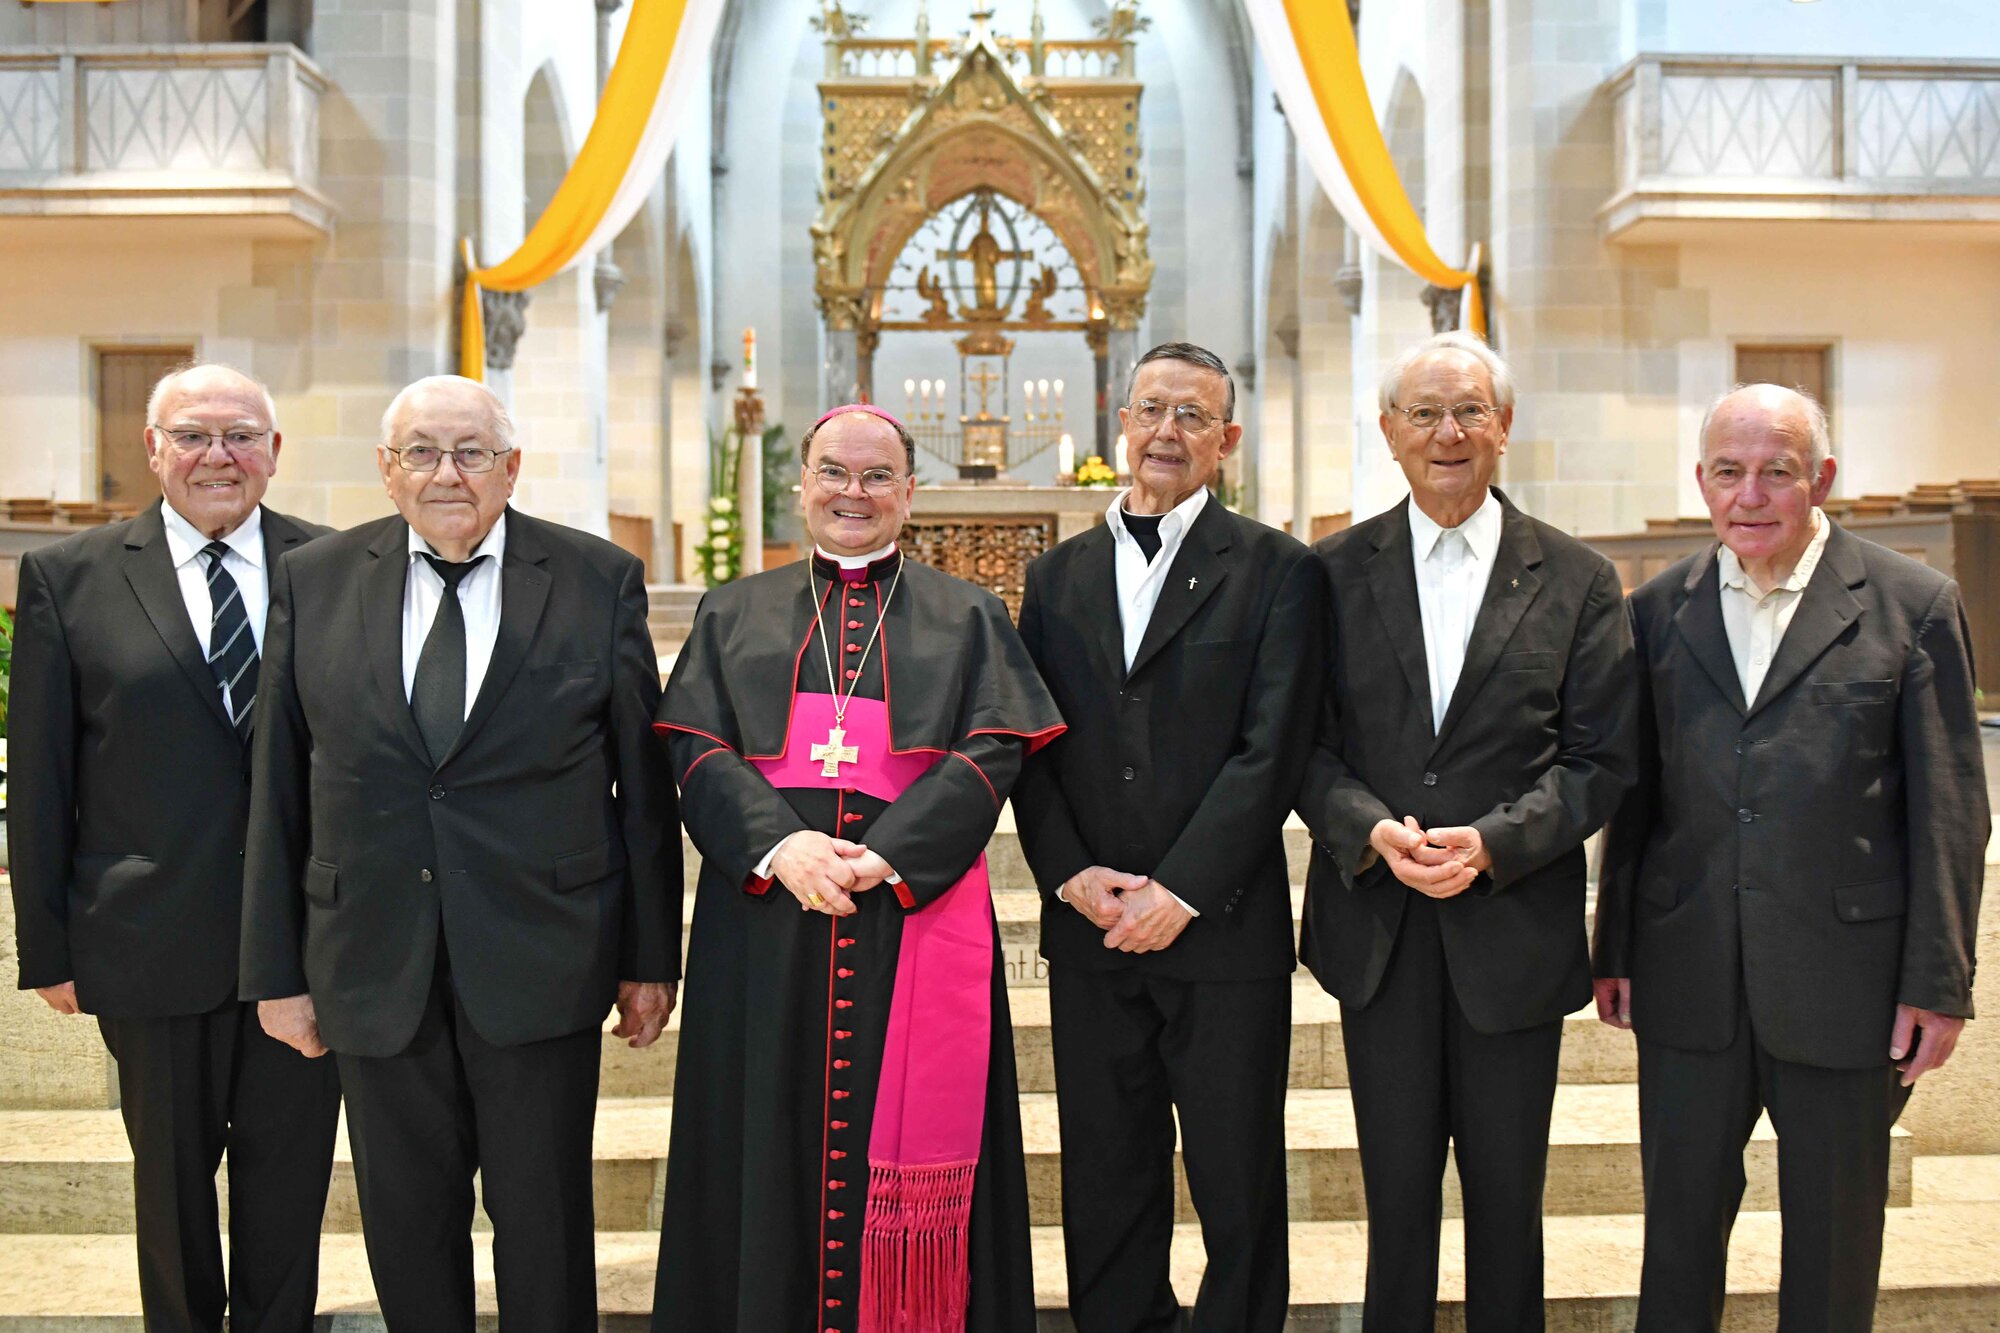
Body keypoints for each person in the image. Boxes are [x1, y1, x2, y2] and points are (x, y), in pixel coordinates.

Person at [239, 374, 679, 1333]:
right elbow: (280, 784)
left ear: (511, 468)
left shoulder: (596, 578)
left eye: (472, 452)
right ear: (387, 470)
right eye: (424, 453)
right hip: (369, 956)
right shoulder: (315, 579)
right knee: (406, 1221)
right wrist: (275, 968)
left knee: (545, 1221)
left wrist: (651, 959)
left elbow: (643, 792)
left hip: (544, 953)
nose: (449, 473)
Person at [651, 403, 1062, 1332]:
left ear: (910, 494)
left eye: (878, 477)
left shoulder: (969, 614)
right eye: (835, 471)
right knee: (762, 1131)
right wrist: (782, 844)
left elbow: (994, 747)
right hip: (766, 922)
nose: (855, 493)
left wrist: (889, 853)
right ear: (802, 484)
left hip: (906, 920)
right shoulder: (733, 609)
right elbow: (695, 749)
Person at [1592, 384, 1987, 1332]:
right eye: (1729, 472)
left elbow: (1949, 811)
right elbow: (1635, 801)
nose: (1752, 493)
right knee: (1678, 1237)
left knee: (1836, 1241)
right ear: (1702, 482)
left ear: (1824, 481)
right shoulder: (1654, 611)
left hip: (1846, 983)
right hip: (1689, 977)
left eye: (1778, 471)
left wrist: (1940, 979)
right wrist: (1614, 949)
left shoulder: (1913, 603)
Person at [1298, 330, 1636, 1330]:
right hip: (1379, 929)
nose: (1446, 433)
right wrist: (1368, 830)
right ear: (1387, 431)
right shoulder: (1325, 573)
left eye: (1468, 410)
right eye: (1423, 413)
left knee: (1505, 1207)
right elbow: (1298, 747)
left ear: (1504, 424)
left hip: (1511, 931)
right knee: (1393, 1205)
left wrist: (1491, 841)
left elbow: (1600, 761)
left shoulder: (1575, 578)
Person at [8, 364, 341, 1333]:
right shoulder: (68, 578)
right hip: (147, 942)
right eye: (193, 435)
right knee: (172, 1196)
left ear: (275, 452)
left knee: (289, 1188)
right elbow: (41, 779)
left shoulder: (335, 570)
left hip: (301, 948)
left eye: (241, 435)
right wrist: (49, 947)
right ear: (153, 450)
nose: (218, 456)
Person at [1012, 342, 1324, 1332]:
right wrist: (1066, 873)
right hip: (1092, 926)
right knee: (1105, 1163)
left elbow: (1272, 749)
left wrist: (1179, 888)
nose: (1166, 432)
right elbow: (1031, 743)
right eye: (1151, 409)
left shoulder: (1277, 570)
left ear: (1225, 440)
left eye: (1192, 417)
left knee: (1236, 1170)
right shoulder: (1053, 576)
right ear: (1120, 421)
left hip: (1220, 926)